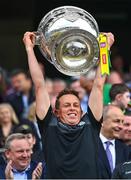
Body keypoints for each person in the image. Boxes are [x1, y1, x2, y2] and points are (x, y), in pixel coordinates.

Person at [23, 31, 114, 178]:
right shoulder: (49, 126)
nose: (72, 108)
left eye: (76, 105)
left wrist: (105, 49)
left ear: (81, 110)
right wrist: (29, 49)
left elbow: (98, 85)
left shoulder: (91, 124)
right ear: (56, 112)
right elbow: (39, 85)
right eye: (67, 106)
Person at [98, 105, 131, 179]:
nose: (121, 126)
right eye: (117, 121)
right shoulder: (88, 144)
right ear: (102, 121)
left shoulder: (126, 150)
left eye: (122, 122)